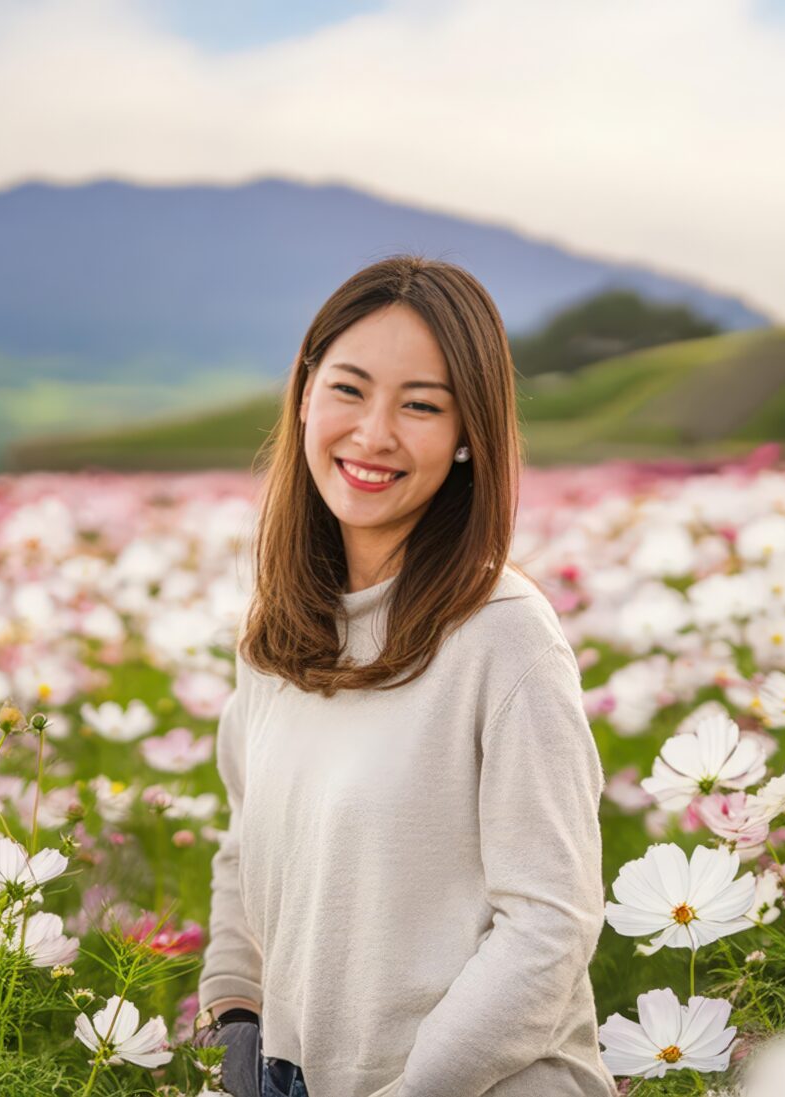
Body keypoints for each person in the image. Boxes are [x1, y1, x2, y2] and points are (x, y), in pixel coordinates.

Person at [193, 255, 619, 1097]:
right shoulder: (277, 631)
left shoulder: (505, 636)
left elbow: (548, 926)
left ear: (468, 434)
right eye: (349, 389)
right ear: (304, 393)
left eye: (420, 404)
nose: (373, 434)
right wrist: (235, 1012)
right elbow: (248, 849)